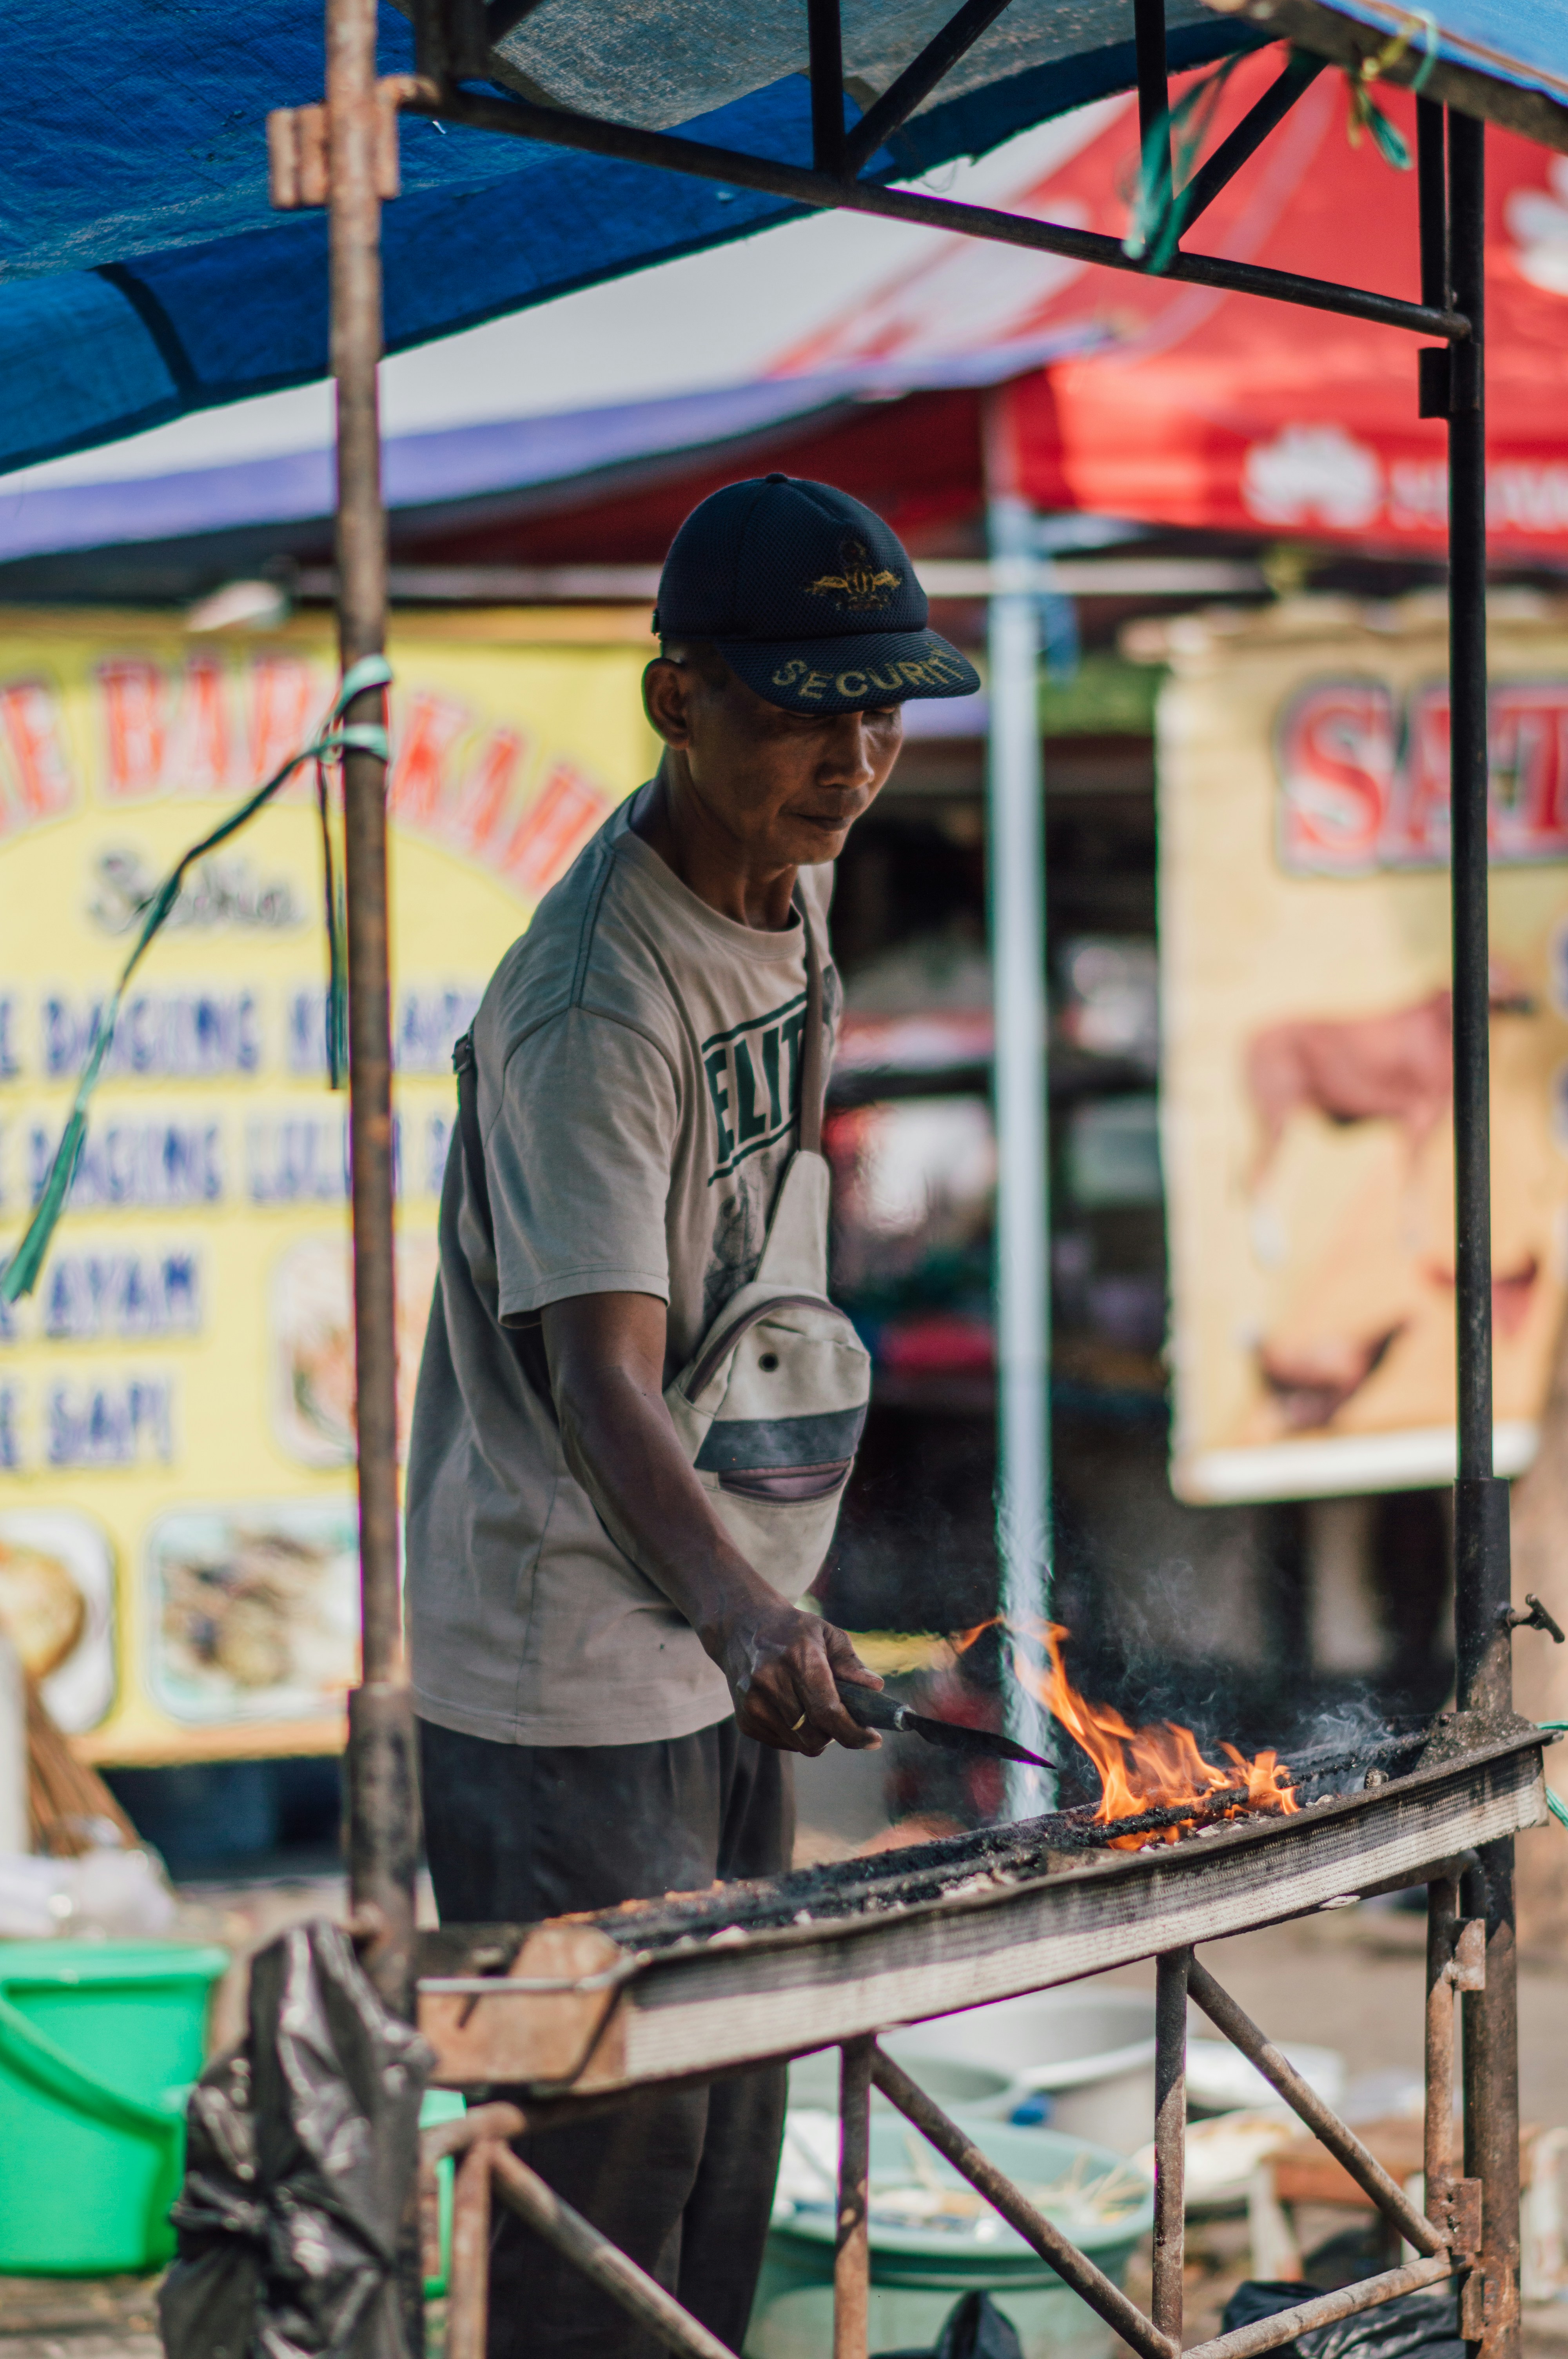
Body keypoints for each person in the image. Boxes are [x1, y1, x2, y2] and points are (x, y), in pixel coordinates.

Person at [405, 473, 981, 2357]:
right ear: (679, 701)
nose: (856, 751)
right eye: (808, 705)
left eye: (883, 705)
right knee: (600, 2199)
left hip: (710, 1629)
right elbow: (593, 1372)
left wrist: (755, 1594)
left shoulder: (789, 888)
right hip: (571, 1668)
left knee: (736, 2128)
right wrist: (746, 1613)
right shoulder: (595, 1001)